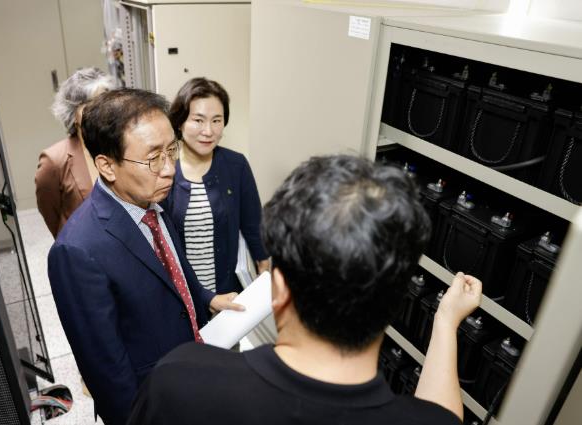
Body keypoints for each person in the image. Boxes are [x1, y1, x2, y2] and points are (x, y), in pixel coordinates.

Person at [127, 155, 483, 425]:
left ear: (279, 289)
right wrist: (445, 322)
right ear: (396, 297)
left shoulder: (179, 382)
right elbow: (441, 414)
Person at [47, 88, 244, 425]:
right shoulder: (77, 251)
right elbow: (106, 372)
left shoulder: (153, 203)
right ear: (107, 166)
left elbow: (172, 274)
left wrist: (207, 298)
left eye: (172, 151)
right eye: (154, 158)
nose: (169, 169)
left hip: (191, 376)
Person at [164, 77, 269, 294]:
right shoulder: (165, 168)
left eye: (216, 120)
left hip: (229, 294)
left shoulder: (236, 165)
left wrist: (264, 266)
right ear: (180, 122)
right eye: (198, 120)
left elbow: (253, 225)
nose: (208, 131)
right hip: (184, 296)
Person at [35, 67, 119, 238]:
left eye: (104, 101)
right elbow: (52, 215)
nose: (99, 110)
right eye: (89, 104)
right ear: (73, 114)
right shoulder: (54, 160)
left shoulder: (122, 145)